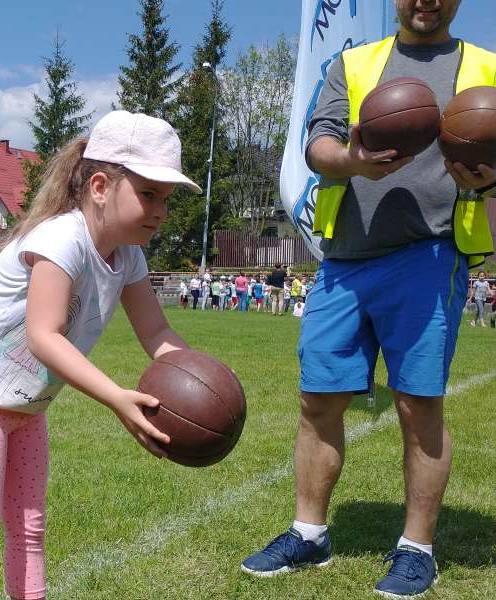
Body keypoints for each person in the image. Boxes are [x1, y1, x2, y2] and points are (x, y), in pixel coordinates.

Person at [240, 4, 496, 597]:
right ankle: (309, 533)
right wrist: (353, 161)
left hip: (429, 256)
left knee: (418, 404)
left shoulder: (485, 70)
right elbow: (317, 145)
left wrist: (486, 179)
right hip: (346, 259)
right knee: (318, 400)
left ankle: (416, 549)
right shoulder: (355, 64)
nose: (424, 2)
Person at [0, 110, 201, 600]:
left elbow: (156, 330)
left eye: (166, 198)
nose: (162, 210)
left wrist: (201, 375)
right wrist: (117, 397)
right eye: (149, 194)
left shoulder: (129, 255)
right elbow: (44, 337)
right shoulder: (62, 239)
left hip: (27, 404)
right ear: (100, 185)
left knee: (31, 528)